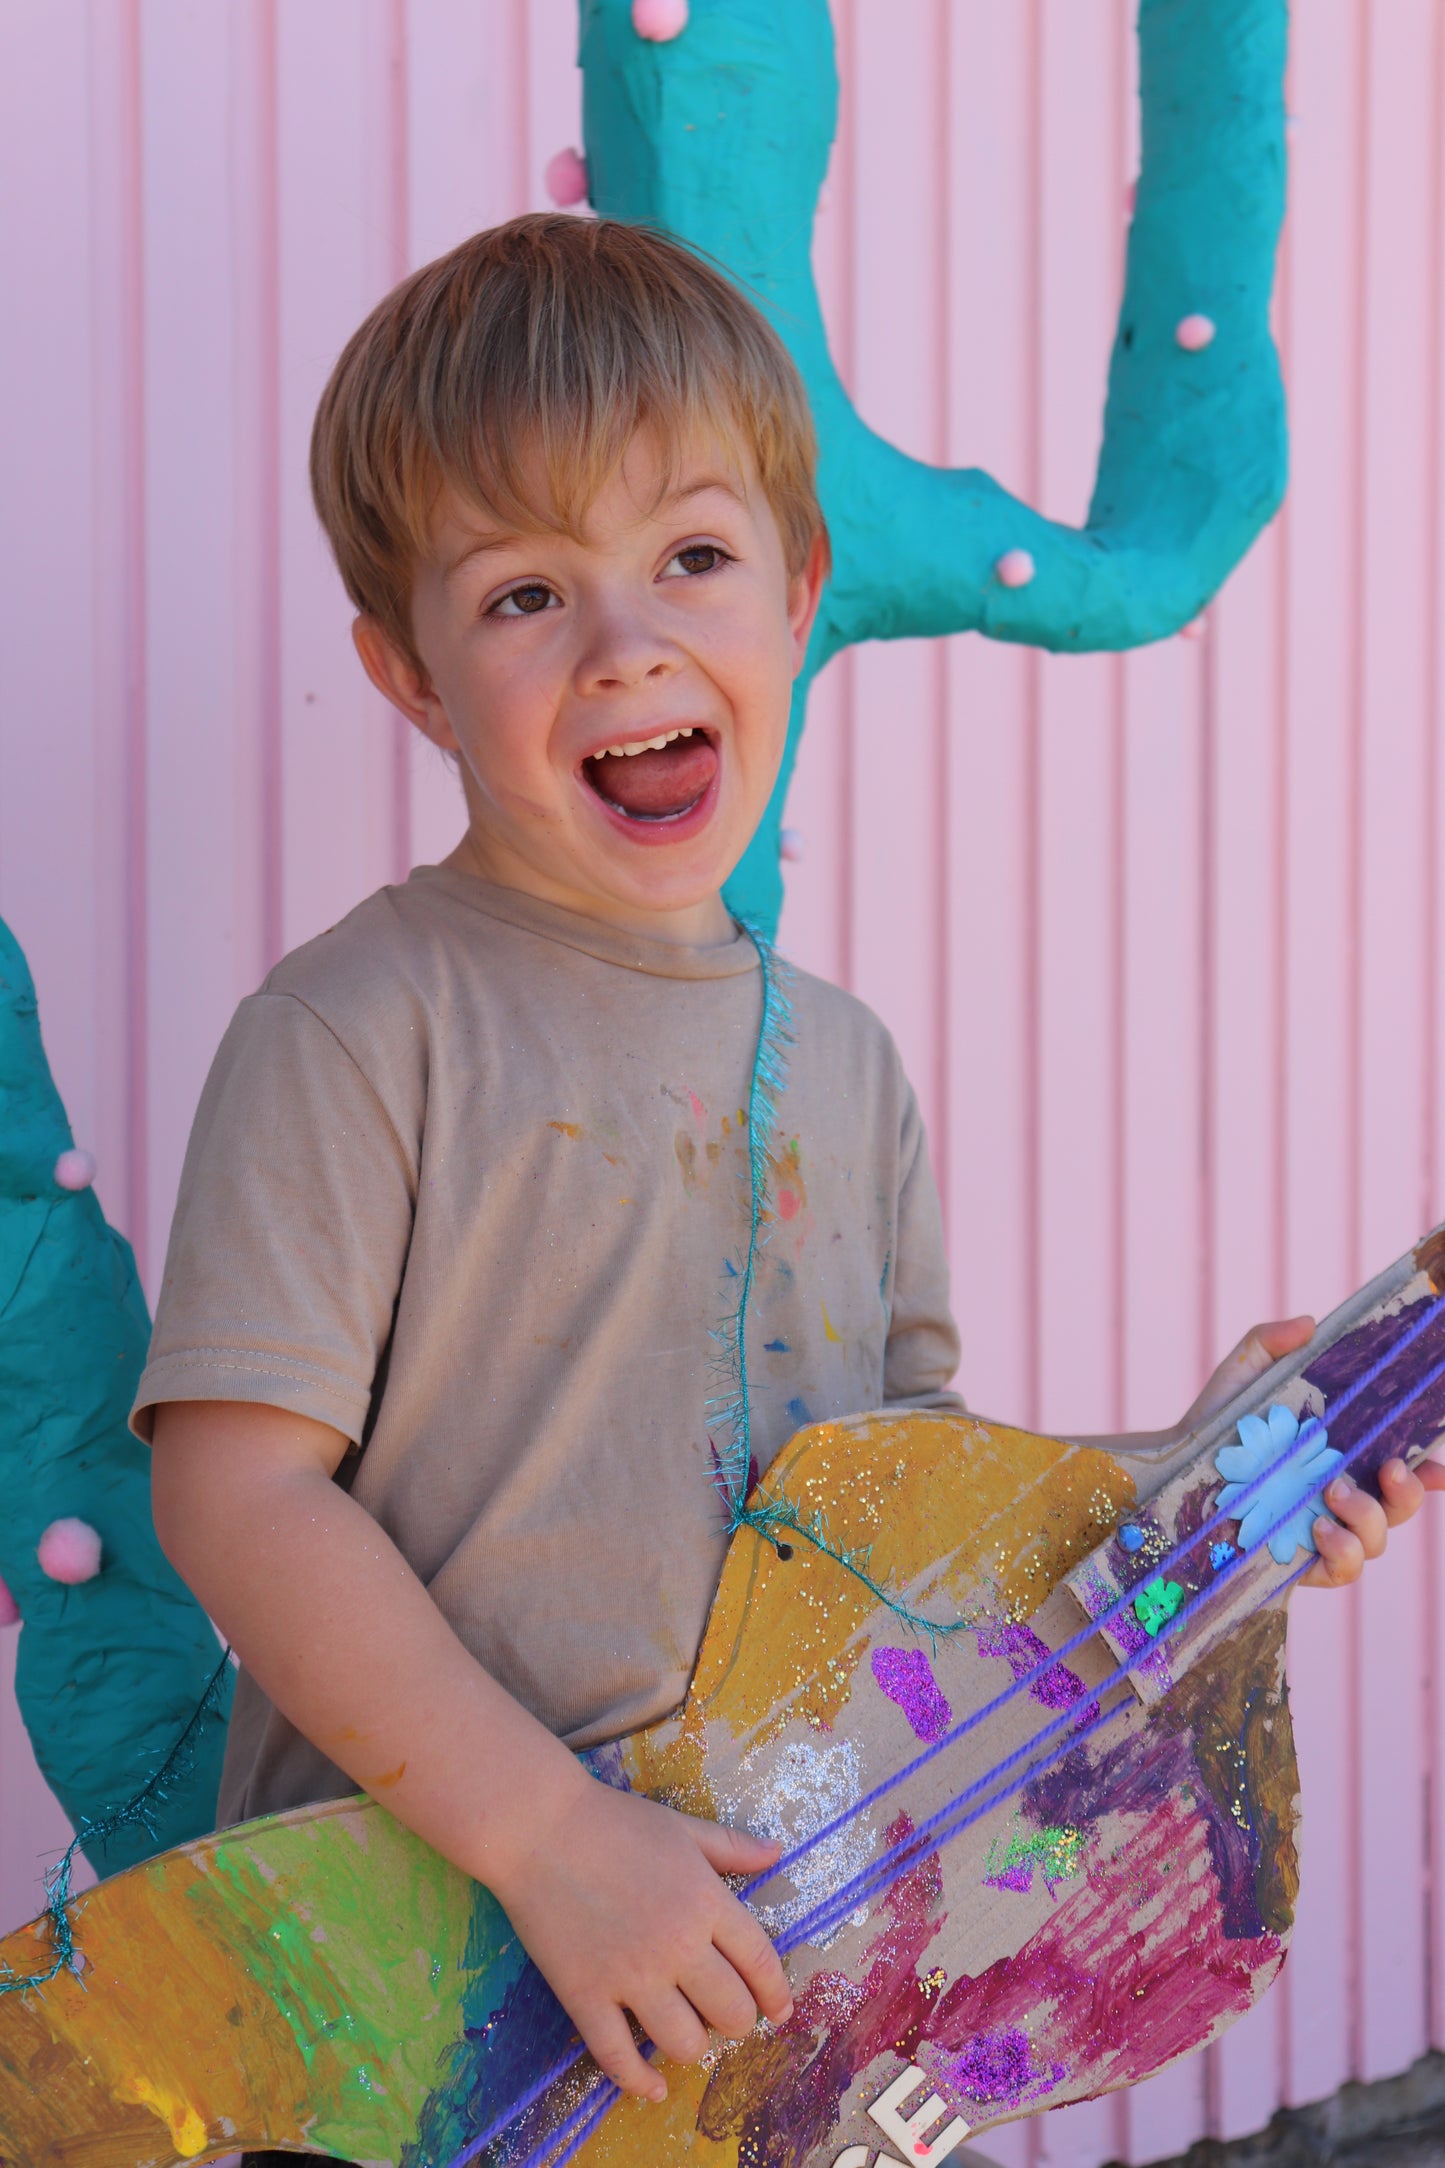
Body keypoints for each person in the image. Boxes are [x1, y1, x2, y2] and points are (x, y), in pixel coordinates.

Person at [135, 214, 1439, 2168]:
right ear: (404, 674)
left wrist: (1193, 1466)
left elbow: (878, 1511)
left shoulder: (845, 1062)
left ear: (800, 590)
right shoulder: (355, 1030)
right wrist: (552, 1836)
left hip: (783, 2015)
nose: (626, 641)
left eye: (692, 557)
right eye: (523, 595)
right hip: (442, 2030)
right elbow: (233, 1488)